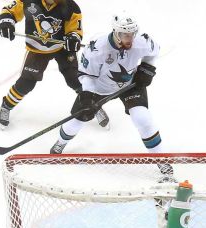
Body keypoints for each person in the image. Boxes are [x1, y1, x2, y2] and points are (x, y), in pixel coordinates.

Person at [50, 11, 164, 156]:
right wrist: (86, 95)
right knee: (77, 121)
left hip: (129, 85)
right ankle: (61, 142)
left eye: (132, 34)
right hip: (99, 88)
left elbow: (154, 51)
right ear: (116, 32)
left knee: (143, 119)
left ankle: (161, 160)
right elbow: (87, 75)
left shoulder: (141, 42)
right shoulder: (96, 49)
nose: (130, 39)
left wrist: (148, 68)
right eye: (125, 35)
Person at [0, 0, 109, 130]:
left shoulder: (70, 6)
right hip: (36, 48)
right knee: (26, 84)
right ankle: (6, 105)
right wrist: (6, 21)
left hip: (62, 48)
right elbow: (9, 11)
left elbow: (75, 30)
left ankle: (94, 105)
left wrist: (73, 38)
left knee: (77, 80)